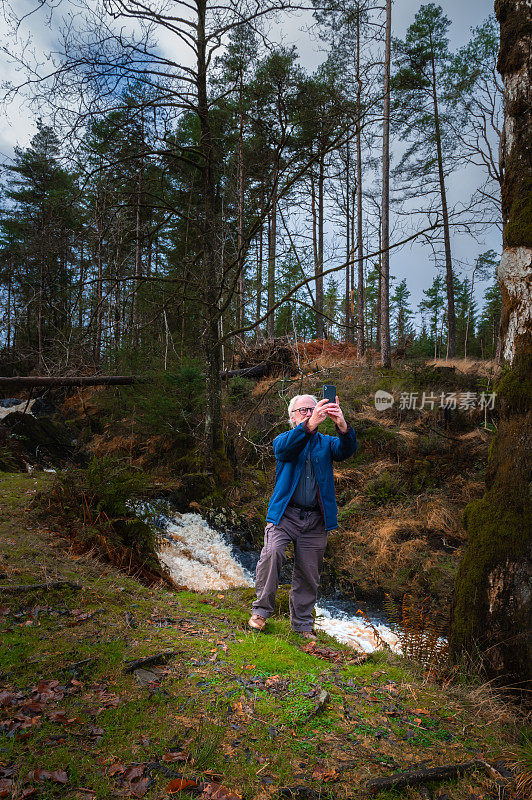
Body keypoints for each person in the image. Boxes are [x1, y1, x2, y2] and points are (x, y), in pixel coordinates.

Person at [248, 394, 357, 639]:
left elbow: (347, 450)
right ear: (292, 416)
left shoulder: (327, 443)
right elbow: (284, 451)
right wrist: (309, 426)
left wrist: (342, 425)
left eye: (313, 408)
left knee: (309, 572)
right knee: (272, 554)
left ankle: (302, 626)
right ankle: (261, 612)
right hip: (285, 515)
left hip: (315, 519)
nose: (308, 412)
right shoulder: (284, 439)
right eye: (303, 410)